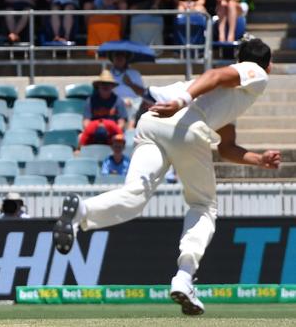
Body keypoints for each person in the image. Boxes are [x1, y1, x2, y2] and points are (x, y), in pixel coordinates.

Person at [53, 38, 277, 316]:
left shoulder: (230, 97)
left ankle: (82, 212)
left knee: (134, 196)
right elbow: (217, 74)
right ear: (269, 65)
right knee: (203, 206)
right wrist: (182, 101)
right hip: (184, 122)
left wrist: (259, 160)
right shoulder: (256, 74)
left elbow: (226, 147)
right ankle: (184, 278)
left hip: (153, 122)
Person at [79, 70, 127, 147]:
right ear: (98, 86)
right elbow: (86, 121)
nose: (105, 86)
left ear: (112, 86)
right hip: (94, 132)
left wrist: (111, 130)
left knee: (120, 138)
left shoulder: (118, 101)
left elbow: (122, 122)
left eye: (108, 84)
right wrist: (93, 130)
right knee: (80, 137)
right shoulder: (91, 100)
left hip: (112, 133)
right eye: (103, 84)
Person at [109, 51, 145, 128]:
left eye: (122, 56)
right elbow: (105, 93)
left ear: (126, 59)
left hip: (135, 103)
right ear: (113, 59)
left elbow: (142, 93)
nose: (119, 58)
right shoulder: (108, 74)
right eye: (117, 56)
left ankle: (131, 126)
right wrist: (121, 101)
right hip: (115, 102)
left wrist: (130, 84)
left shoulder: (135, 73)